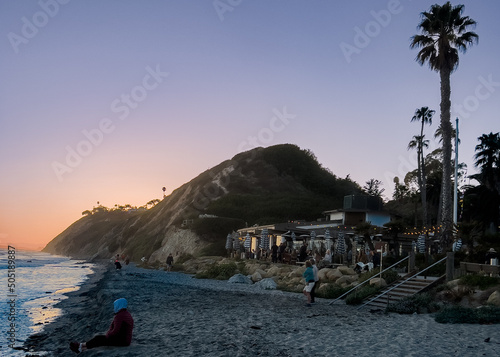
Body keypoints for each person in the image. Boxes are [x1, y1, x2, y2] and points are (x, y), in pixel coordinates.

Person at [70, 298, 134, 354]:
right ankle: (81, 347)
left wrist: (108, 335)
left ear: (119, 305)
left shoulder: (119, 316)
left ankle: (81, 347)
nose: (114, 307)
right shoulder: (126, 314)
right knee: (100, 339)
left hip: (121, 341)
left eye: (116, 305)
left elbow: (115, 331)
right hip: (125, 340)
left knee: (99, 339)